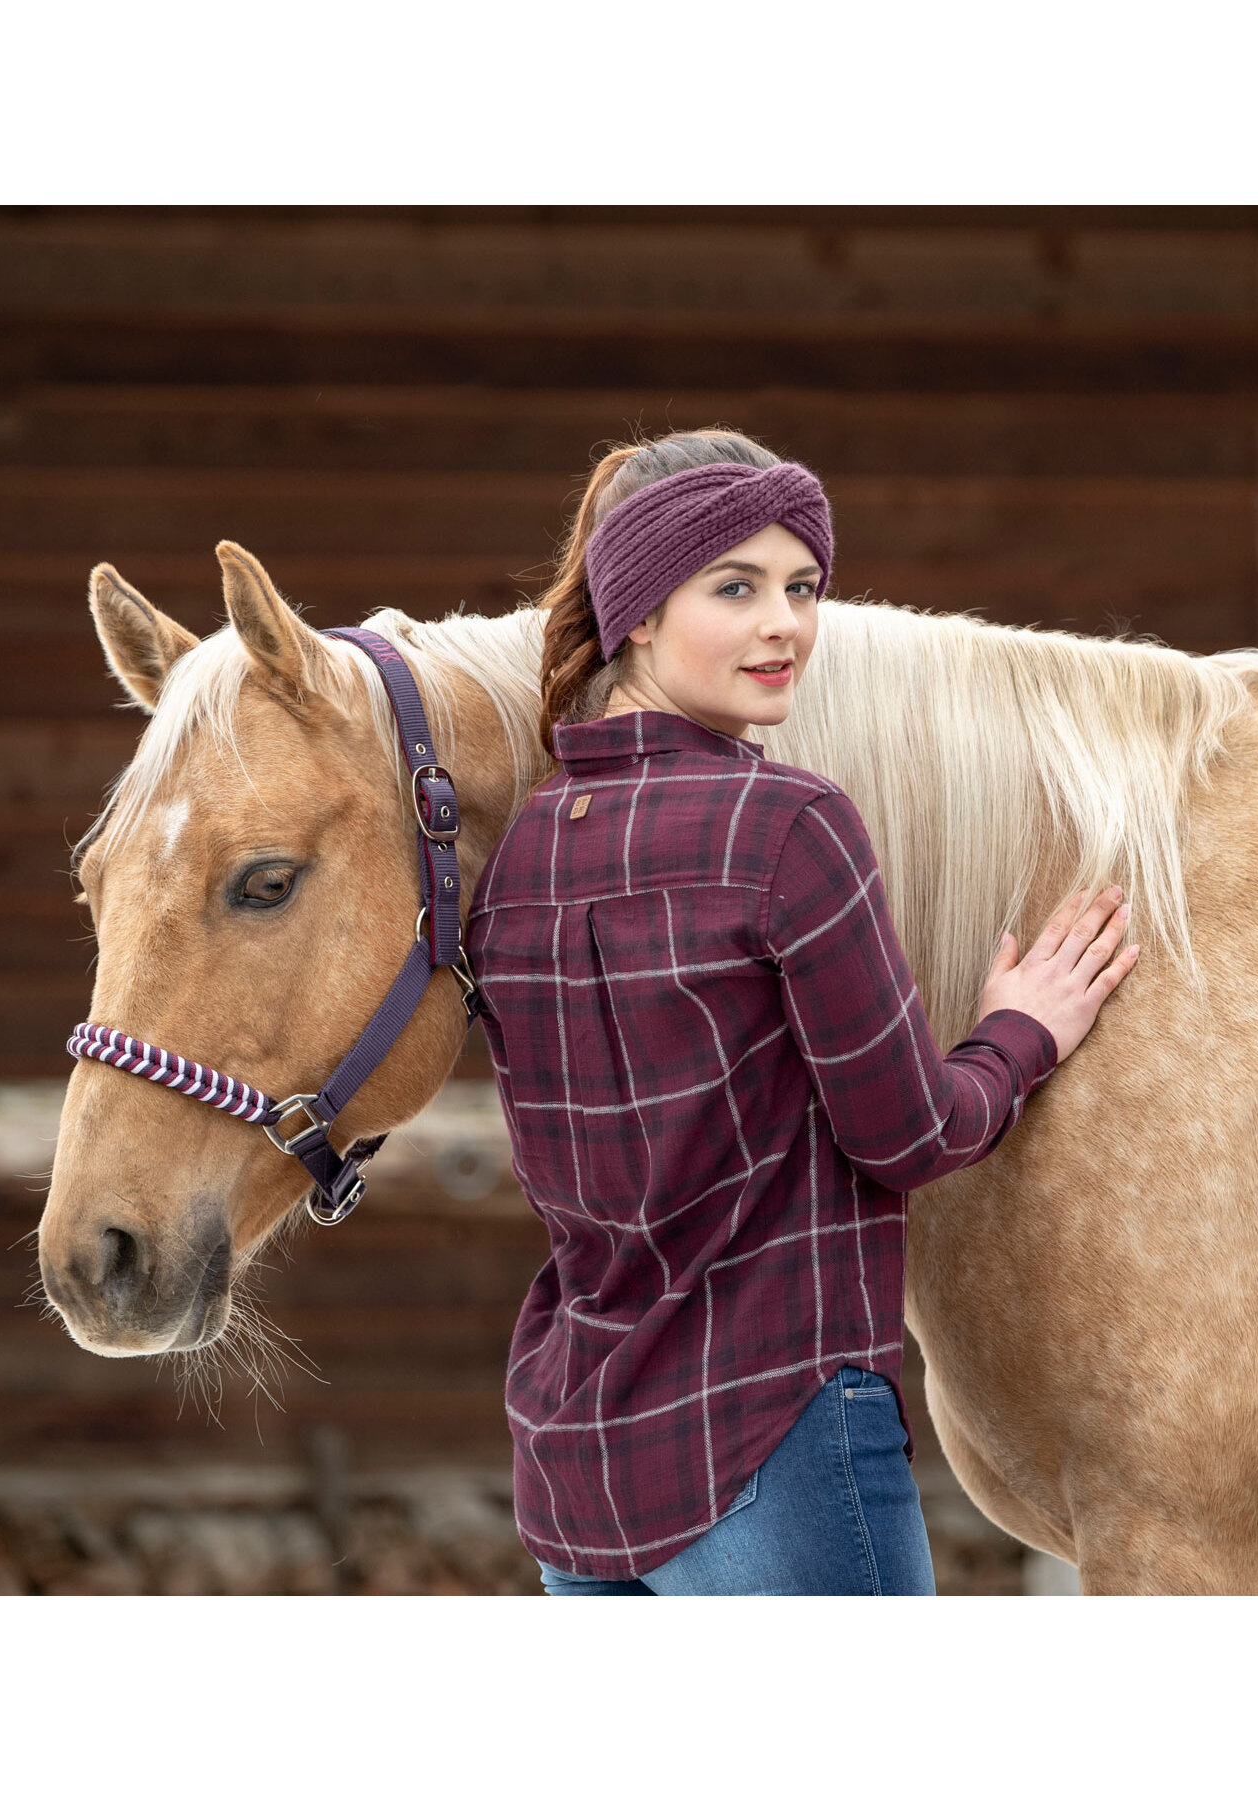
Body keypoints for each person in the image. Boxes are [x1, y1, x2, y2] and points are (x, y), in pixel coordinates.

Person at [465, 429, 1139, 1595]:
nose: (785, 624)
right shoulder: (787, 826)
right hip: (771, 1431)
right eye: (735, 588)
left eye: (801, 587)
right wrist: (1022, 1030)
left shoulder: (521, 851)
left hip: (574, 1457)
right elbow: (909, 1135)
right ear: (632, 609)